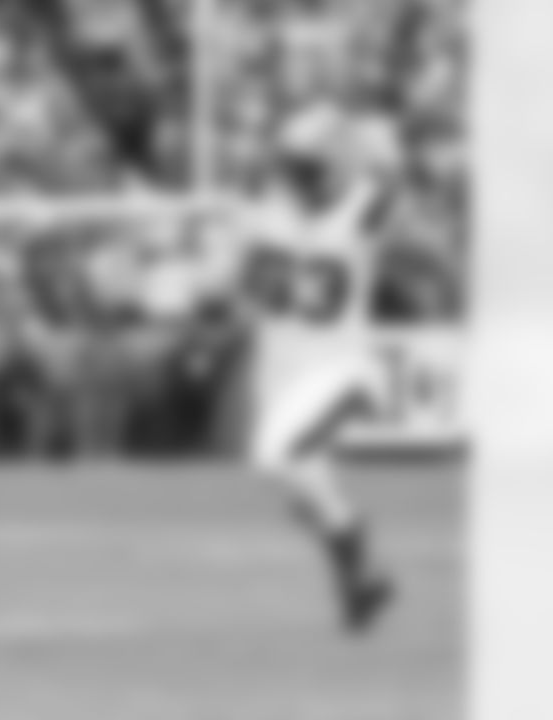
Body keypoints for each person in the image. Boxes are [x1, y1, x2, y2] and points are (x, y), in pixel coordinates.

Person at [209, 103, 400, 635]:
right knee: (300, 492)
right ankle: (361, 589)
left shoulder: (359, 210)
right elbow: (238, 283)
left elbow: (388, 174)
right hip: (287, 379)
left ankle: (355, 545)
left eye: (310, 170)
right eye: (296, 169)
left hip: (343, 369)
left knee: (279, 457)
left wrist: (361, 137)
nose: (300, 180)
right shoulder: (265, 217)